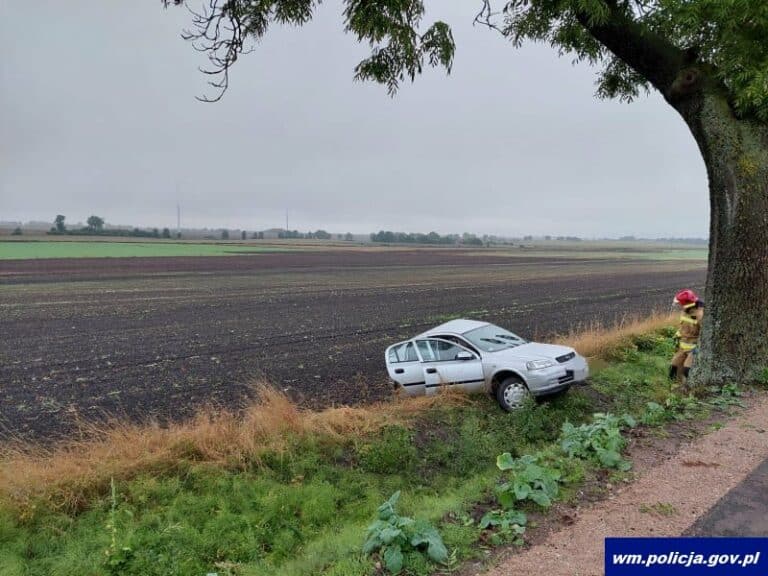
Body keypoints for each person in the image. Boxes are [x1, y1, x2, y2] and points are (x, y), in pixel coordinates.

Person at [669, 288, 704, 386]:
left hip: (694, 348)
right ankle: (674, 388)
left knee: (687, 370)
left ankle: (691, 390)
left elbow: (705, 333)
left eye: (680, 303)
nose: (679, 305)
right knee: (673, 368)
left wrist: (699, 348)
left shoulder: (700, 314)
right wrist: (677, 336)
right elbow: (683, 327)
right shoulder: (685, 311)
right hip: (682, 346)